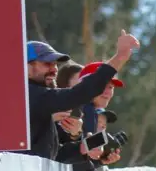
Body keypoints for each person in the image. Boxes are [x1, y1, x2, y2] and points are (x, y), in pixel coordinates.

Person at [22, 31, 139, 161]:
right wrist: (120, 57)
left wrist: (84, 147)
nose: (55, 70)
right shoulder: (29, 94)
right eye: (47, 64)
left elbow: (54, 156)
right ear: (25, 67)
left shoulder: (37, 98)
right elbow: (78, 94)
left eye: (55, 64)